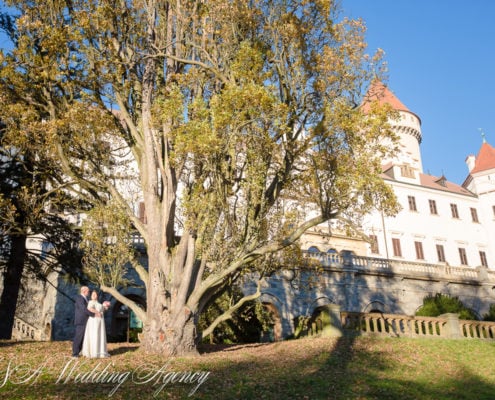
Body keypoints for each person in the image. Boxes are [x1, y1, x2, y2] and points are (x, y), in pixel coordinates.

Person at [72, 286, 99, 358]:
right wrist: (93, 314)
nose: (89, 292)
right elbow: (83, 309)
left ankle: (80, 351)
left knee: (83, 337)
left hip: (85, 321)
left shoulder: (85, 299)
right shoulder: (80, 298)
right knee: (78, 337)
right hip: (81, 321)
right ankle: (75, 354)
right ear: (84, 291)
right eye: (88, 291)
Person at [81, 290, 110, 358]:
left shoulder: (98, 303)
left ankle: (100, 352)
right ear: (91, 296)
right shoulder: (91, 302)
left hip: (100, 321)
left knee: (99, 335)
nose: (94, 295)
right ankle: (93, 352)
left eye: (95, 294)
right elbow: (90, 308)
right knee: (94, 335)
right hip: (93, 321)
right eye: (93, 294)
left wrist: (105, 307)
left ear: (97, 296)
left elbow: (102, 310)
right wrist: (97, 312)